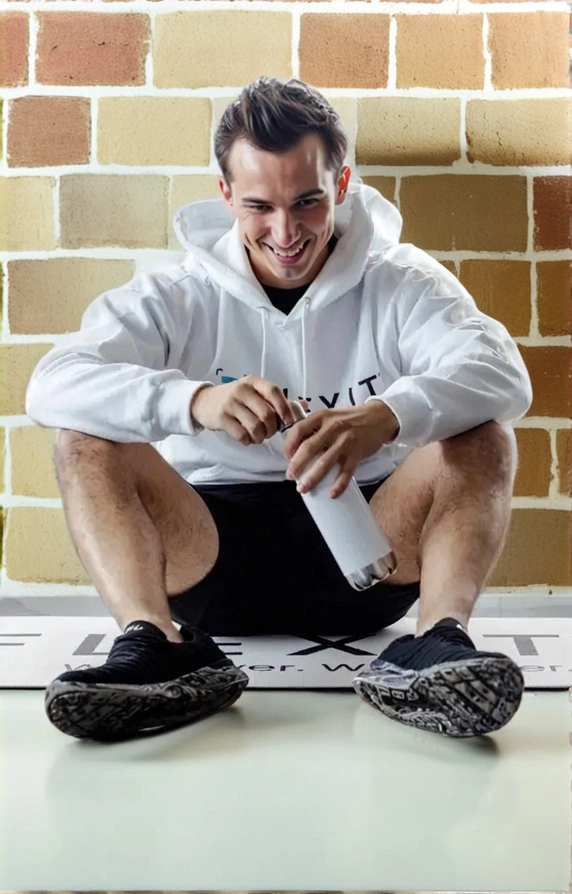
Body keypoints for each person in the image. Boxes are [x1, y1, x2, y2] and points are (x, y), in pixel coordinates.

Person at [26, 77, 532, 744]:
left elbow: (503, 373)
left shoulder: (402, 280)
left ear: (343, 183)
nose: (286, 232)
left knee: (483, 433)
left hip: (371, 552)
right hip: (210, 559)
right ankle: (157, 646)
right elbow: (51, 384)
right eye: (260, 206)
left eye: (308, 201)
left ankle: (433, 644)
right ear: (226, 194)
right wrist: (194, 401)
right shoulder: (176, 294)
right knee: (82, 441)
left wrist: (388, 414)